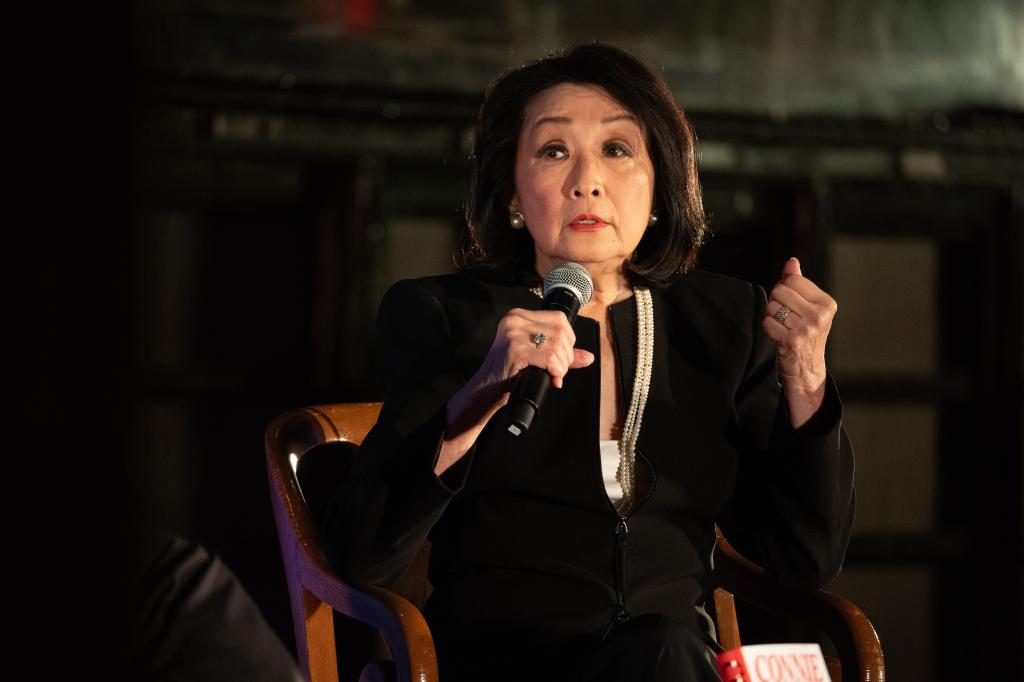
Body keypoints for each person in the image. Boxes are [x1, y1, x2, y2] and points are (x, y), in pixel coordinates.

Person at [322, 43, 854, 681]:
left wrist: (806, 377)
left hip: (670, 661)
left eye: (617, 149)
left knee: (663, 649)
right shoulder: (443, 315)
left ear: (659, 186)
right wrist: (476, 398)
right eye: (553, 151)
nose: (587, 179)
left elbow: (806, 558)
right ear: (513, 195)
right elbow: (362, 553)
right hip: (511, 664)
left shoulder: (726, 322)